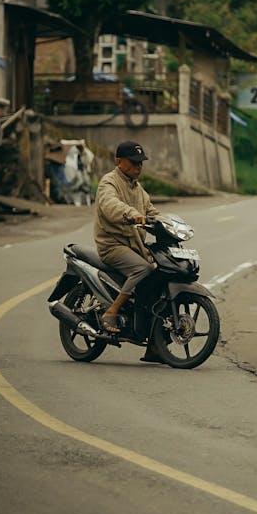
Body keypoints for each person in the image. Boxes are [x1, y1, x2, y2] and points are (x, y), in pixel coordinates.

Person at [94, 140, 162, 360]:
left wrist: (168, 224)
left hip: (135, 246)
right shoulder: (109, 182)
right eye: (134, 163)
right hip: (112, 245)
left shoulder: (138, 188)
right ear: (119, 162)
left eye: (141, 163)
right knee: (142, 269)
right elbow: (110, 205)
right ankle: (111, 312)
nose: (138, 167)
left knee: (159, 280)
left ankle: (155, 346)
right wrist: (131, 213)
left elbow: (152, 212)